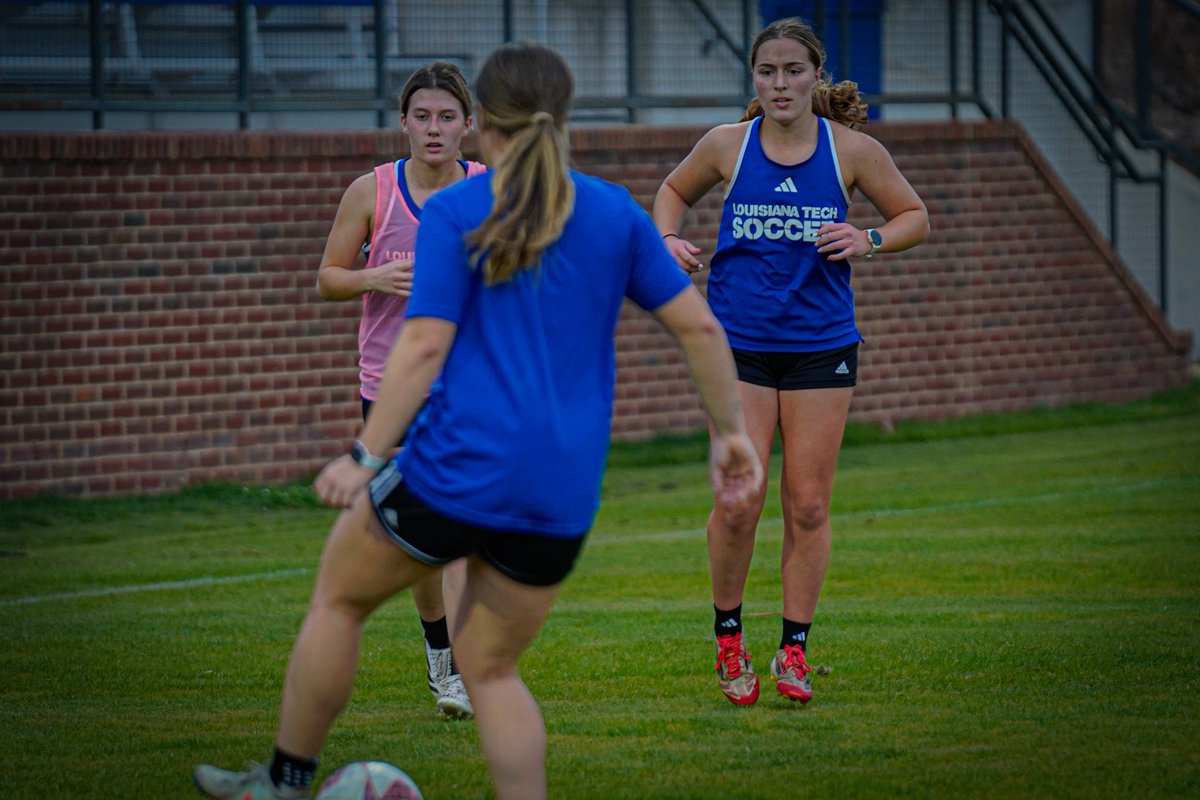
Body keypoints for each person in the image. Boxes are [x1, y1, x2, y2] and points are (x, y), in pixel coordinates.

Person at [194, 41, 762, 800]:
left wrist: (363, 456)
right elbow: (699, 329)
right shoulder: (614, 213)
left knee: (339, 599)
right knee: (492, 672)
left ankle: (284, 784)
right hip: (557, 496)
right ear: (562, 119)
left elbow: (424, 343)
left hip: (452, 472)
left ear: (481, 124)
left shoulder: (458, 206)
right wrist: (730, 435)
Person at [653, 16, 929, 706]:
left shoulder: (852, 151)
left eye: (793, 71)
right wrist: (664, 239)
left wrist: (868, 238)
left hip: (821, 349)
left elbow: (913, 217)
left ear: (816, 77)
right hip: (738, 349)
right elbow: (673, 192)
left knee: (807, 504)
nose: (780, 83)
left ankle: (795, 651)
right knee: (739, 498)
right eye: (768, 71)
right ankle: (728, 637)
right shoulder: (726, 144)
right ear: (755, 78)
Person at [315, 61, 487, 722]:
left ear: (468, 124)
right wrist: (374, 279)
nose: (435, 128)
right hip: (391, 387)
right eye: (423, 116)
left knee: (465, 530)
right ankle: (440, 654)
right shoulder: (372, 192)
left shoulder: (488, 191)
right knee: (421, 543)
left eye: (448, 117)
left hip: (469, 383)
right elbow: (328, 277)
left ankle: (465, 667)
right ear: (405, 122)